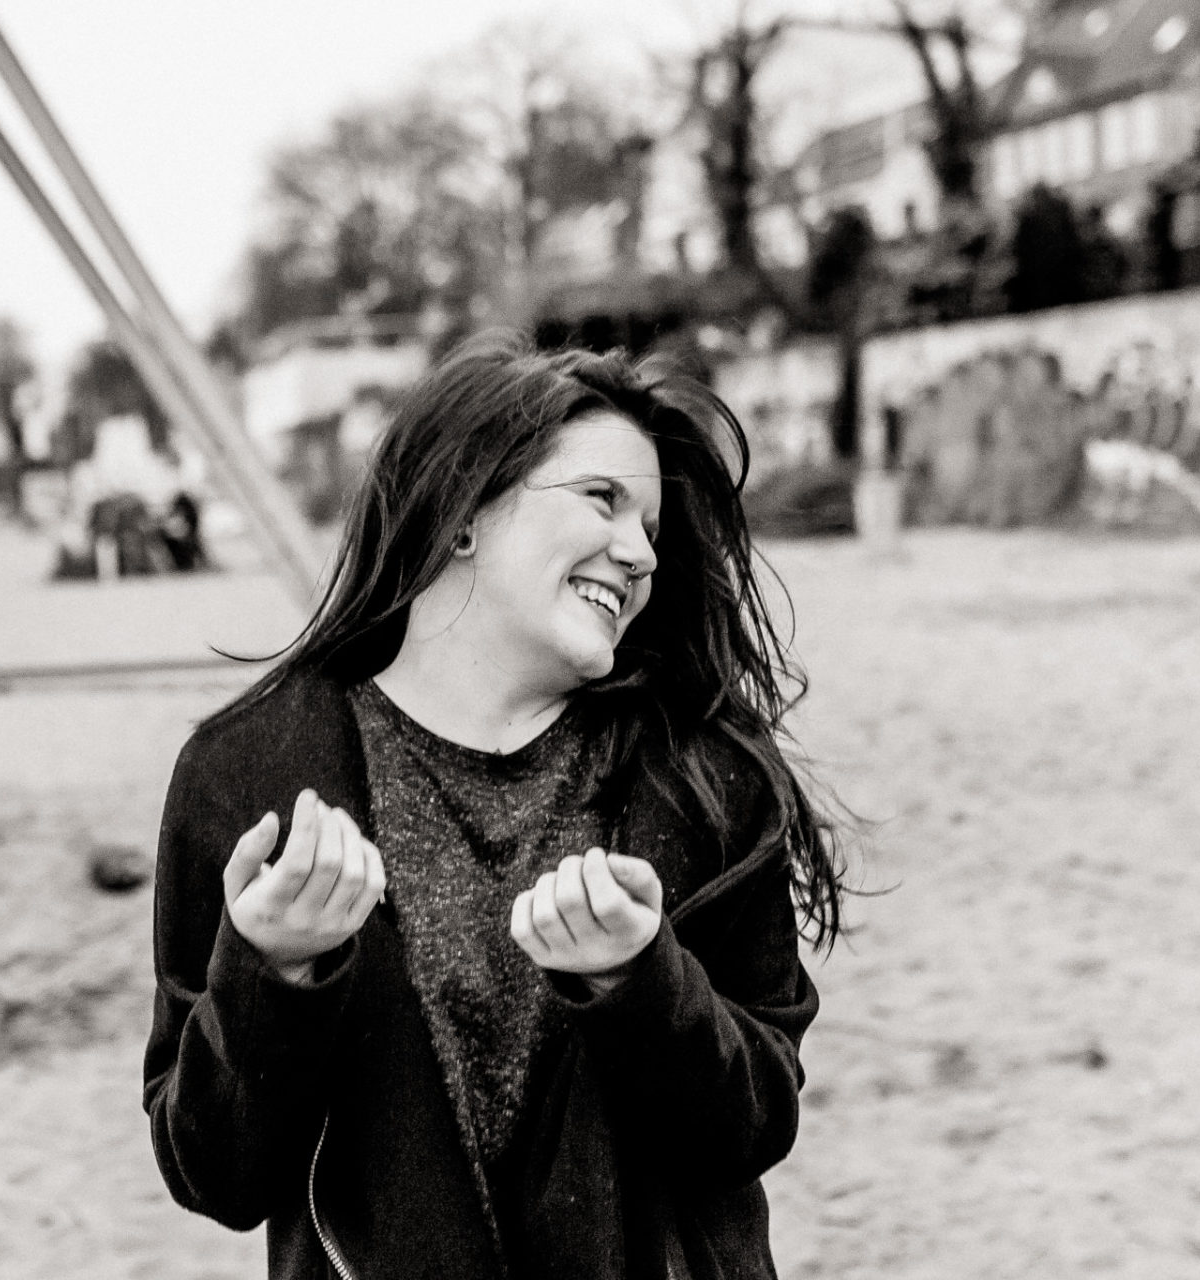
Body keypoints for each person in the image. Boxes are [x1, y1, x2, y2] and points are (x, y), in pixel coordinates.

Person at [144, 334, 846, 1279]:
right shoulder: (250, 772)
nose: (639, 552)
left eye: (653, 526)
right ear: (465, 505)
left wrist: (640, 985)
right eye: (603, 498)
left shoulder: (706, 778)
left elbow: (753, 1126)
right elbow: (217, 1175)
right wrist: (272, 974)